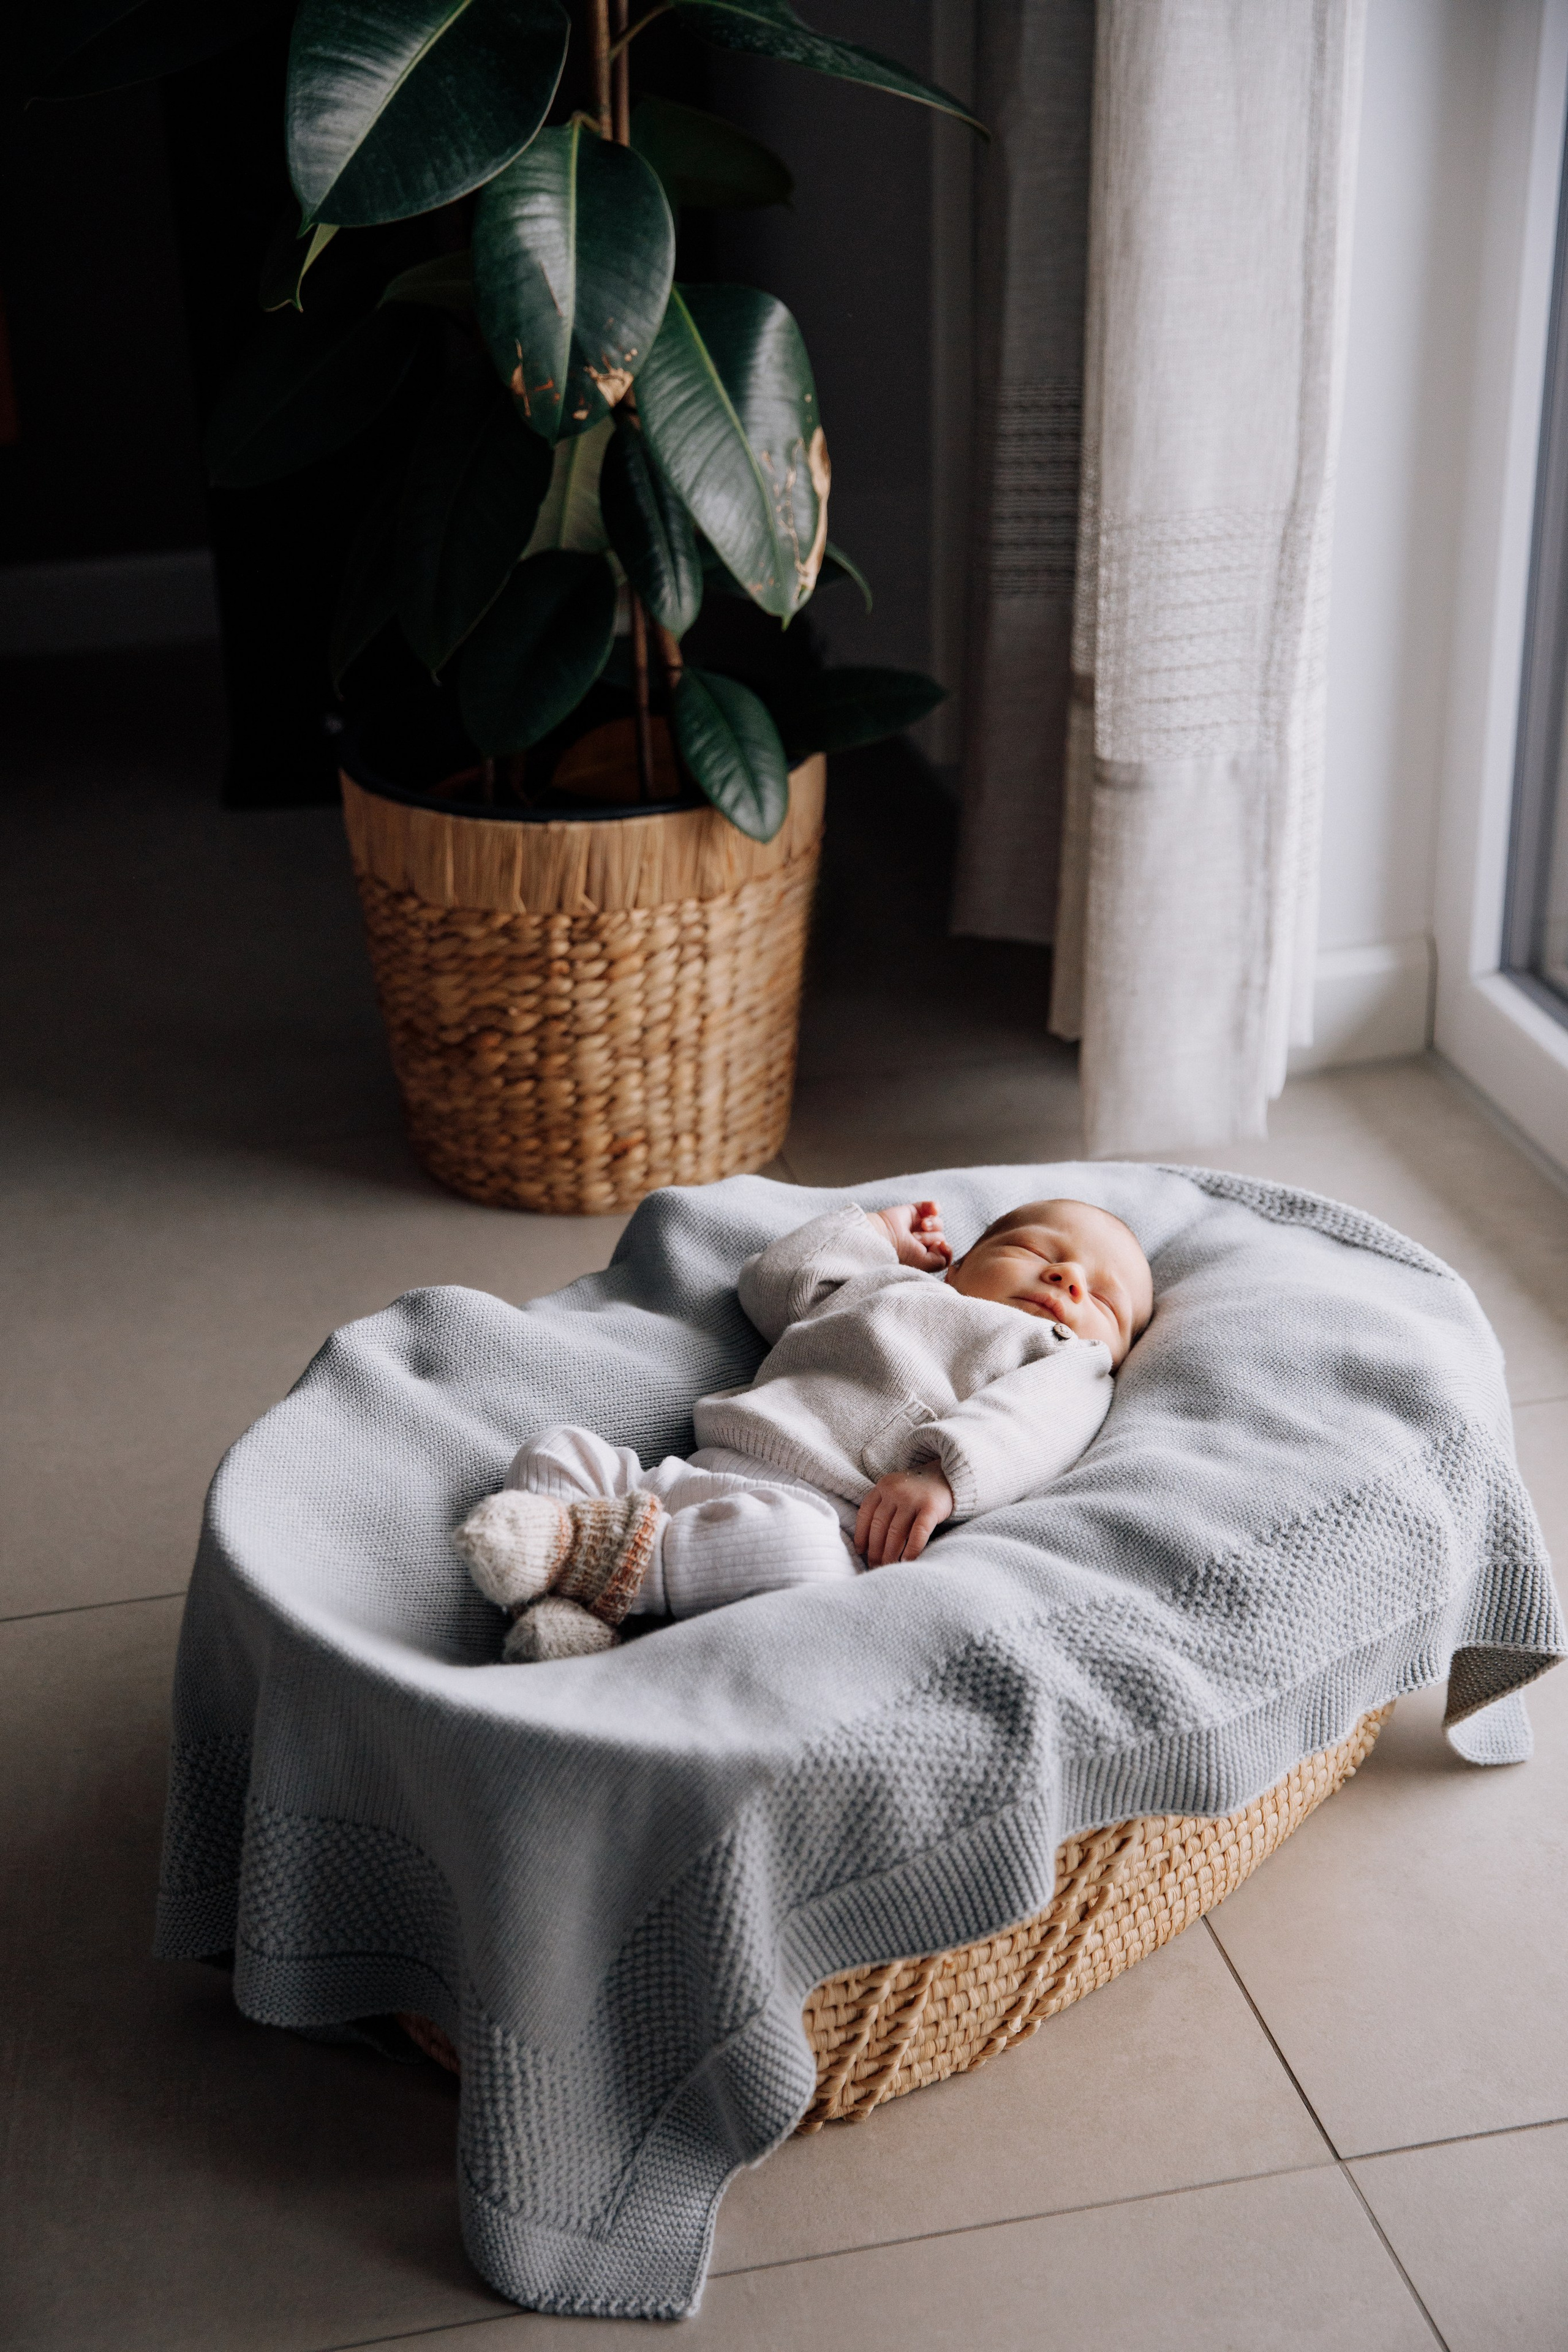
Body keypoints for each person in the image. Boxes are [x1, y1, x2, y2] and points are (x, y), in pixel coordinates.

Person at [454, 1196, 1155, 1660]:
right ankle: (580, 1625)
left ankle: (589, 1566)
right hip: (687, 1477)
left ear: (1116, 1348)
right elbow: (774, 1285)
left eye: (1102, 1299)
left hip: (822, 1522)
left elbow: (1031, 1426)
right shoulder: (896, 1287)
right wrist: (874, 1238)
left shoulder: (1068, 1361)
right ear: (962, 1262)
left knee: (797, 1555)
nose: (1066, 1278)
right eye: (1037, 1250)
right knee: (556, 1449)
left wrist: (942, 1475)